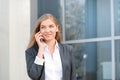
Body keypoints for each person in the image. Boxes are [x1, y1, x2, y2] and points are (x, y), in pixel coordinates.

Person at [25, 13, 77, 80]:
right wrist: (40, 49)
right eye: (43, 27)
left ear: (57, 28)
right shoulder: (30, 51)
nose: (47, 30)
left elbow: (73, 77)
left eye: (51, 26)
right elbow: (34, 75)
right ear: (39, 31)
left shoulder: (68, 50)